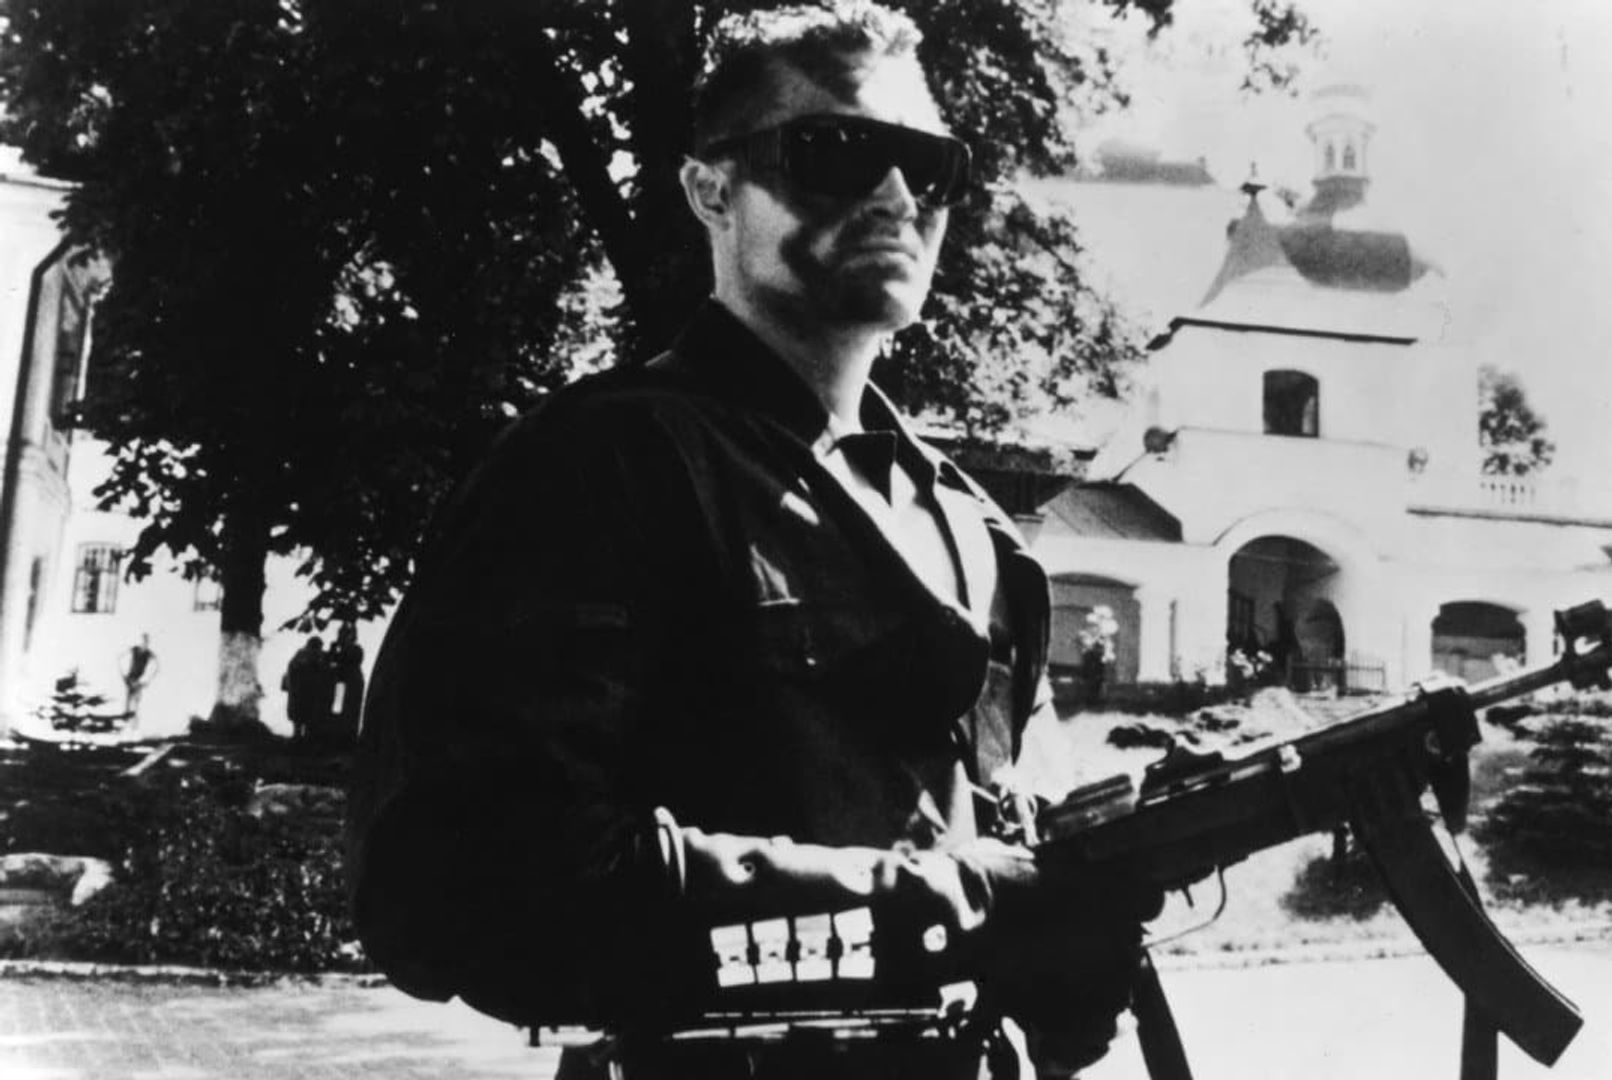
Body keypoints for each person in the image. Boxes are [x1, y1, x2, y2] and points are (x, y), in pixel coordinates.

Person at [346, 5, 1159, 1080]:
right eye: (837, 150)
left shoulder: (977, 533)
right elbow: (468, 891)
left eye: (931, 166)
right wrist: (960, 907)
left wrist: (1067, 929)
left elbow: (1011, 856)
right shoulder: (603, 466)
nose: (897, 195)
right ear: (711, 190)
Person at [282, 636, 329, 742]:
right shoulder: (303, 655)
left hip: (303, 694)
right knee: (302, 721)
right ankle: (300, 740)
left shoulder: (301, 655)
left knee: (302, 721)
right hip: (303, 693)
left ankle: (300, 740)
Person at [327, 624, 366, 741]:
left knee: (350, 712)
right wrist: (333, 650)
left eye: (342, 635)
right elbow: (331, 662)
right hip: (344, 683)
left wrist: (336, 650)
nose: (339, 637)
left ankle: (347, 738)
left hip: (352, 683)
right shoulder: (346, 649)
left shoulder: (355, 649)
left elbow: (344, 661)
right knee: (341, 712)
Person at [119, 634, 158, 723]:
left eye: (146, 642)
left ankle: (132, 715)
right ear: (141, 642)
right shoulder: (135, 649)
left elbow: (156, 666)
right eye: (143, 642)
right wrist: (122, 673)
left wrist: (148, 680)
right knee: (131, 695)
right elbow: (120, 657)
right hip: (130, 676)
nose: (144, 644)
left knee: (135, 697)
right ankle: (127, 713)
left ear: (148, 643)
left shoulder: (149, 653)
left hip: (139, 679)